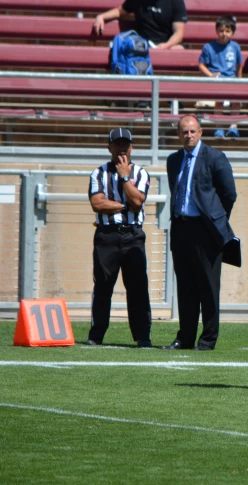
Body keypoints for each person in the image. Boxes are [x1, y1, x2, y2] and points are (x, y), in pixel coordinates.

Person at [161, 115, 237, 351]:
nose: (189, 135)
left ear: (201, 132)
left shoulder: (215, 157)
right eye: (184, 132)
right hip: (181, 228)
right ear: (178, 134)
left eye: (193, 131)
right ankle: (185, 338)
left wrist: (216, 221)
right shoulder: (173, 160)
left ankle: (207, 340)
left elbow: (229, 194)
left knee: (208, 286)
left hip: (206, 230)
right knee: (185, 287)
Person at [86, 128, 153, 348]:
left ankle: (142, 337)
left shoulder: (141, 173)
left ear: (132, 147)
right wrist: (125, 206)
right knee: (103, 285)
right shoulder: (98, 173)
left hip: (133, 235)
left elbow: (138, 202)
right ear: (109, 147)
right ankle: (96, 335)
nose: (122, 148)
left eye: (126, 144)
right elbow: (98, 204)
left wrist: (125, 177)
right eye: (117, 144)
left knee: (137, 287)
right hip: (106, 236)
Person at [198, 15, 243, 138]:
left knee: (236, 102)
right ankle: (219, 127)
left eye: (227, 31)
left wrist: (239, 80)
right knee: (219, 102)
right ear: (216, 31)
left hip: (232, 80)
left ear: (232, 32)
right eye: (221, 30)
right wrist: (211, 76)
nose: (224, 34)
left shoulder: (235, 47)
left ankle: (233, 127)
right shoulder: (208, 47)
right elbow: (201, 65)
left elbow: (239, 65)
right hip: (217, 80)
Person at [93, 0, 187, 50]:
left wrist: (166, 45)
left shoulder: (176, 1)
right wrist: (101, 17)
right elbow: (120, 11)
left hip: (167, 44)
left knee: (178, 49)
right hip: (143, 45)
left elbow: (178, 33)